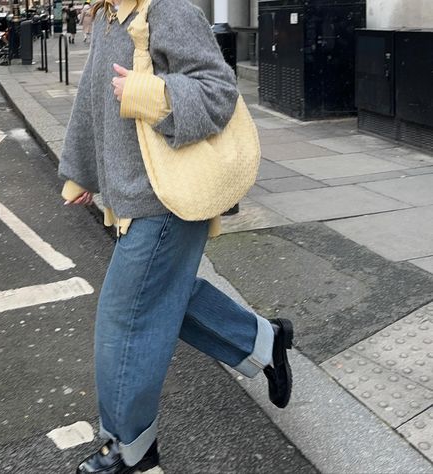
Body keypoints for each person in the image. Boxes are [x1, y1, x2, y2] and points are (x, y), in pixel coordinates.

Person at [58, 0, 294, 472]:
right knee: (167, 298)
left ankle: (130, 449)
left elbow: (218, 91)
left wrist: (149, 93)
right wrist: (81, 174)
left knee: (124, 322)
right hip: (134, 197)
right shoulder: (111, 14)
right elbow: (90, 101)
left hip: (166, 199)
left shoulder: (168, 10)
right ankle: (265, 342)